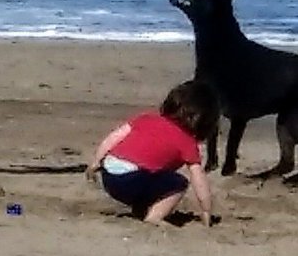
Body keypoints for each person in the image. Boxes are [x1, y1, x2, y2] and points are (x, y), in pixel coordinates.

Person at [86, 80, 218, 226]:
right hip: (131, 180)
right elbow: (198, 179)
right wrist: (206, 209)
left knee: (155, 178)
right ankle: (155, 217)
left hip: (109, 176)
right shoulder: (187, 143)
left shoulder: (146, 118)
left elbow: (114, 137)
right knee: (178, 183)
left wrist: (96, 161)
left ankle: (142, 209)